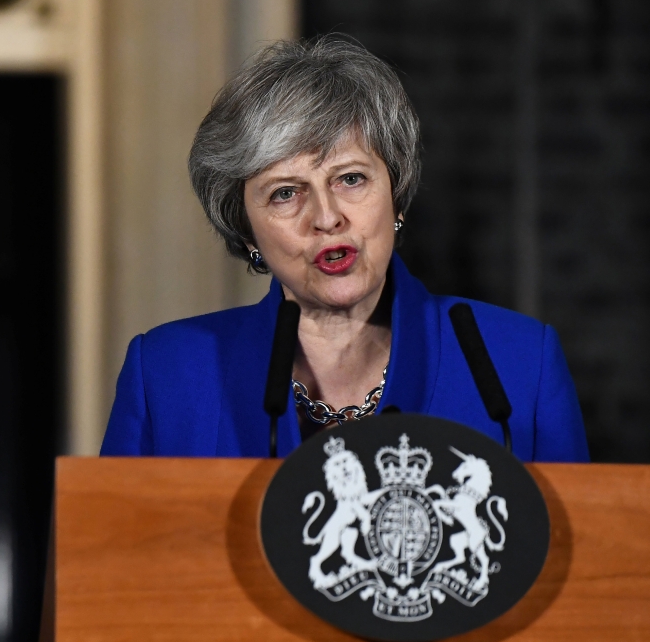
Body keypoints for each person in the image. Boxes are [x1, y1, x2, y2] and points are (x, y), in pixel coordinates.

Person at [100, 37, 589, 462]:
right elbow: (109, 565)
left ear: (394, 194)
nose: (327, 216)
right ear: (246, 230)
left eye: (351, 178)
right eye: (285, 193)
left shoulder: (517, 366)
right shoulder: (169, 376)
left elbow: (585, 561)